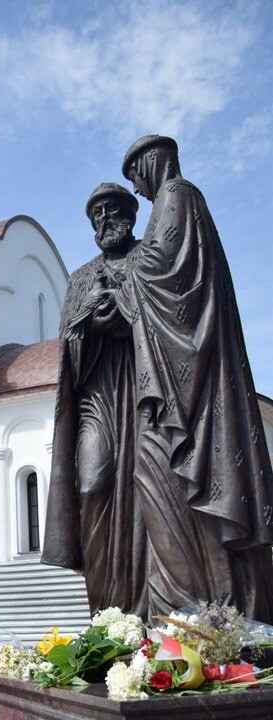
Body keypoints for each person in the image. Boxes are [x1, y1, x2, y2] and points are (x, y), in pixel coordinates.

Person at [110, 135, 273, 621]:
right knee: (155, 474)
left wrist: (122, 270)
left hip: (189, 376)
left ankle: (219, 610)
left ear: (150, 164)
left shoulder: (179, 196)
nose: (137, 193)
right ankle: (183, 609)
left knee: (182, 474)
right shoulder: (169, 200)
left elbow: (163, 269)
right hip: (170, 368)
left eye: (136, 178)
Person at [42, 183, 147, 618]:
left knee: (148, 492)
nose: (105, 219)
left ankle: (150, 609)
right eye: (96, 214)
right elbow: (68, 349)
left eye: (112, 210)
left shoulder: (147, 260)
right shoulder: (81, 277)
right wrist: (90, 322)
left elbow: (165, 321)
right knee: (93, 484)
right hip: (98, 394)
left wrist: (122, 314)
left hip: (144, 391)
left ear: (130, 214)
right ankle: (107, 616)